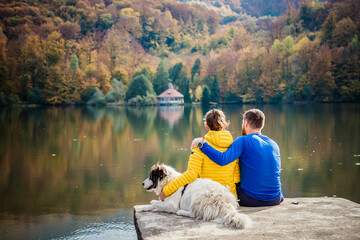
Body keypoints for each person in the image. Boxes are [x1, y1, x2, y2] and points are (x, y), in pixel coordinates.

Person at [191, 108, 283, 207]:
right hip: (276, 198)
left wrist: (201, 145)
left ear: (246, 123)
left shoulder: (243, 141)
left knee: (230, 188)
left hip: (252, 199)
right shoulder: (273, 144)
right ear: (262, 125)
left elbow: (222, 160)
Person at [159, 109, 240, 201]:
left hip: (208, 198)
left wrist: (166, 191)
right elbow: (236, 178)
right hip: (229, 199)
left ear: (206, 126)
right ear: (224, 125)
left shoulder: (199, 147)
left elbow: (190, 175)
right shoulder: (233, 148)